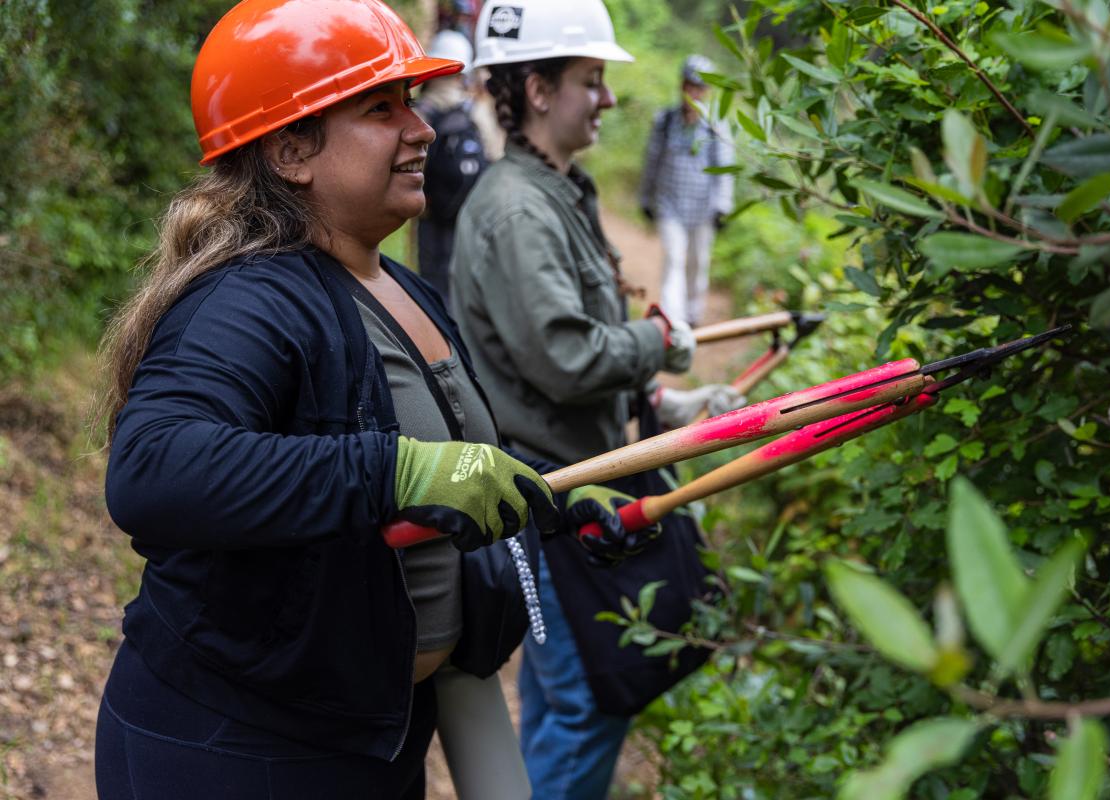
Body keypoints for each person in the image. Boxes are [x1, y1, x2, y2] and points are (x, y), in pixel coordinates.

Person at [88, 1, 605, 797]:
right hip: (240, 749)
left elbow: (434, 450)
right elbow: (153, 470)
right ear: (292, 148)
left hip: (368, 736)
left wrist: (551, 496)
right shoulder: (249, 300)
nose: (423, 129)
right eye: (380, 108)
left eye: (410, 103)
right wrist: (397, 473)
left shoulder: (397, 284)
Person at [451, 2, 745, 797]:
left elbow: (577, 341)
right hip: (552, 499)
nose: (608, 99)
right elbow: (566, 356)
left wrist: (667, 403)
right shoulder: (518, 209)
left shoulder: (556, 192)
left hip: (578, 480)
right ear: (539, 90)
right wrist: (661, 343)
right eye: (592, 80)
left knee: (563, 688)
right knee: (588, 697)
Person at [639, 54, 736, 327]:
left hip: (703, 209)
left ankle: (692, 316)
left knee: (697, 264)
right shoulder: (665, 121)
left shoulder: (717, 126)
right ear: (681, 86)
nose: (693, 92)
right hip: (670, 206)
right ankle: (673, 320)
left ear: (707, 91)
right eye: (689, 85)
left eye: (699, 87)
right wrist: (645, 199)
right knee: (673, 260)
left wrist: (722, 206)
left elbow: (725, 169)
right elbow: (652, 161)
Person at [415, 29, 492, 301]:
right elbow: (493, 156)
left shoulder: (421, 112)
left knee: (431, 282)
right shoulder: (475, 112)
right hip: (468, 211)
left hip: (431, 212)